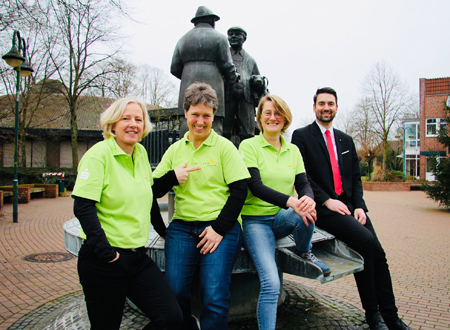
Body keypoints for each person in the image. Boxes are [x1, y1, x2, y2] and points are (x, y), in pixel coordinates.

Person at [291, 87, 413, 330]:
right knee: (365, 243)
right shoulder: (301, 136)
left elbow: (356, 178)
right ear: (314, 107)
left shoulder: (345, 140)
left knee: (379, 255)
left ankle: (391, 316)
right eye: (322, 103)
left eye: (331, 104)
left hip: (349, 207)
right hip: (323, 209)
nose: (326, 107)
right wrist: (326, 200)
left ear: (337, 107)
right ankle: (373, 314)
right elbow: (302, 176)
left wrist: (359, 206)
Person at [72, 98, 182, 330]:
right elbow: (83, 207)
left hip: (137, 259)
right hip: (104, 260)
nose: (133, 124)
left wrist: (164, 232)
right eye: (126, 118)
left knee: (171, 318)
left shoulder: (140, 153)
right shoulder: (98, 155)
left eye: (138, 120)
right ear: (112, 125)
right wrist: (107, 253)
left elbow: (149, 196)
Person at [153, 82, 250, 330]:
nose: (200, 121)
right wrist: (172, 177)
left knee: (214, 294)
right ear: (185, 113)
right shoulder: (175, 150)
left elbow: (240, 192)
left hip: (221, 228)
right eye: (195, 114)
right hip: (183, 227)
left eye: (206, 116)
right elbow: (151, 191)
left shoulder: (225, 148)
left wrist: (218, 229)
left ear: (213, 116)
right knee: (174, 293)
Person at [238, 94, 330, 330]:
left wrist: (307, 199)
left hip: (280, 219)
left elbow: (304, 184)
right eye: (267, 112)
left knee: (308, 210)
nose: (272, 117)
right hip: (255, 221)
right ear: (259, 118)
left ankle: (304, 250)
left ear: (285, 118)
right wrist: (292, 201)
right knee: (270, 283)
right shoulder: (248, 146)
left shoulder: (293, 151)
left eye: (277, 112)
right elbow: (255, 186)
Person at [171, 6, 239, 137]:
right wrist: (233, 78)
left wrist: (188, 77)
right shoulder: (220, 38)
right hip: (215, 89)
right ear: (212, 21)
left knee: (186, 130)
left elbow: (174, 68)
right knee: (214, 130)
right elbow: (227, 65)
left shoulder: (182, 40)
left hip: (187, 90)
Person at [224, 26, 264, 142]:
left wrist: (257, 81)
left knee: (248, 132)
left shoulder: (250, 60)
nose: (234, 36)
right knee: (224, 131)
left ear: (244, 38)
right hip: (227, 97)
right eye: (231, 34)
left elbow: (258, 77)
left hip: (246, 98)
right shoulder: (224, 56)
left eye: (237, 34)